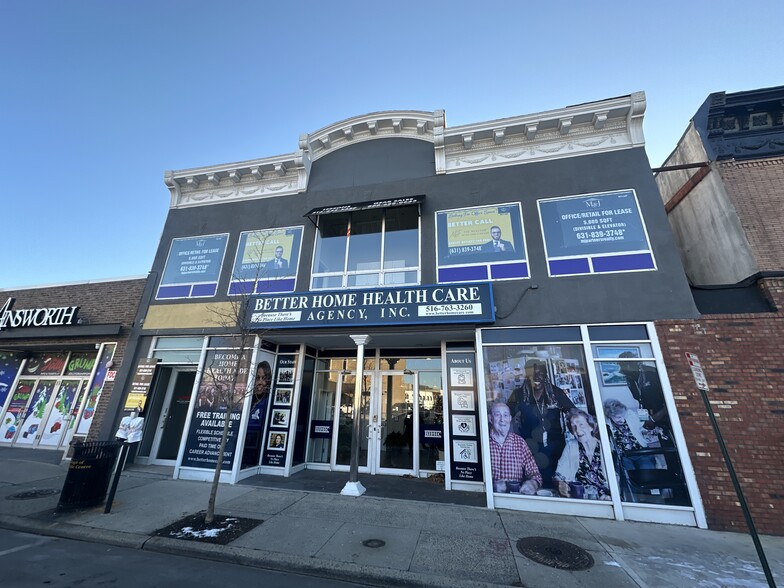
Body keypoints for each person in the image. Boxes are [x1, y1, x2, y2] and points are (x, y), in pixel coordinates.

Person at [505, 359, 574, 486]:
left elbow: (573, 413)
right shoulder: (519, 394)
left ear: (546, 375)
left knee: (556, 482)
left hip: (555, 446)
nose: (536, 377)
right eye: (532, 373)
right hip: (529, 447)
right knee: (533, 481)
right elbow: (505, 415)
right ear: (527, 375)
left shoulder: (556, 393)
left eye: (540, 373)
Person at [555, 409, 611, 500]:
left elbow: (616, 479)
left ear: (591, 426)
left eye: (581, 425)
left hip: (605, 499)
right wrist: (560, 484)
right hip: (579, 498)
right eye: (574, 427)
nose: (578, 430)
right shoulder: (571, 446)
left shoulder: (604, 447)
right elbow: (560, 474)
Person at [488, 402, 542, 494]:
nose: (502, 420)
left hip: (515, 499)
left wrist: (533, 483)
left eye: (505, 415)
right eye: (497, 415)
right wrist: (491, 486)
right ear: (490, 419)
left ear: (510, 418)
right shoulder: (484, 442)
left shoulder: (519, 443)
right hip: (489, 500)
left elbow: (535, 474)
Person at [618, 353, 669, 432]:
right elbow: (640, 401)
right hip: (654, 422)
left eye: (623, 365)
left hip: (668, 419)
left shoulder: (652, 373)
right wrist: (644, 420)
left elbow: (671, 401)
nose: (622, 369)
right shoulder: (631, 379)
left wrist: (653, 419)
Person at [603, 398, 656, 470]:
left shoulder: (630, 414)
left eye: (623, 416)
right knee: (629, 477)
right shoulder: (606, 423)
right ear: (610, 415)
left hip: (641, 452)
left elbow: (646, 423)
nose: (622, 420)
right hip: (624, 456)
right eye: (618, 417)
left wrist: (647, 430)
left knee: (648, 473)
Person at [242, 361, 272, 467]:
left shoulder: (269, 401)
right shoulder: (246, 400)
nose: (260, 383)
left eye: (263, 378)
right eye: (257, 378)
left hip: (258, 441)